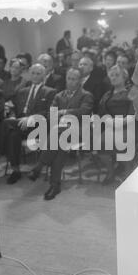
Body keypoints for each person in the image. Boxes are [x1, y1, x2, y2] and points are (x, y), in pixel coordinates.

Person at [28, 68, 94, 200]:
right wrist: (60, 119)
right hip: (60, 133)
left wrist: (64, 113)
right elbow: (50, 114)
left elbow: (84, 111)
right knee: (60, 147)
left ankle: (40, 165)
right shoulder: (59, 95)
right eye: (68, 78)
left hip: (80, 131)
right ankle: (55, 185)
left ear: (80, 81)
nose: (70, 81)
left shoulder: (86, 95)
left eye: (73, 79)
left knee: (58, 134)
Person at [0, 64, 56, 185]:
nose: (35, 76)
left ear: (44, 75)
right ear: (29, 75)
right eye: (33, 73)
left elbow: (49, 113)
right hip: (19, 125)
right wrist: (12, 115)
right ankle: (16, 170)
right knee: (12, 134)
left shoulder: (50, 92)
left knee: (6, 123)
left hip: (38, 126)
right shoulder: (22, 91)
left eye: (38, 73)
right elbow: (14, 109)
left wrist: (30, 118)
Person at [96, 65, 135, 185]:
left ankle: (128, 172)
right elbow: (101, 112)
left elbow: (133, 113)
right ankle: (110, 172)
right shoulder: (107, 95)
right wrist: (109, 121)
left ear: (124, 77)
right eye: (111, 75)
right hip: (110, 125)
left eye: (117, 75)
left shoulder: (131, 92)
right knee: (99, 143)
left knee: (121, 142)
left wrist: (121, 122)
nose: (113, 77)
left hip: (129, 125)